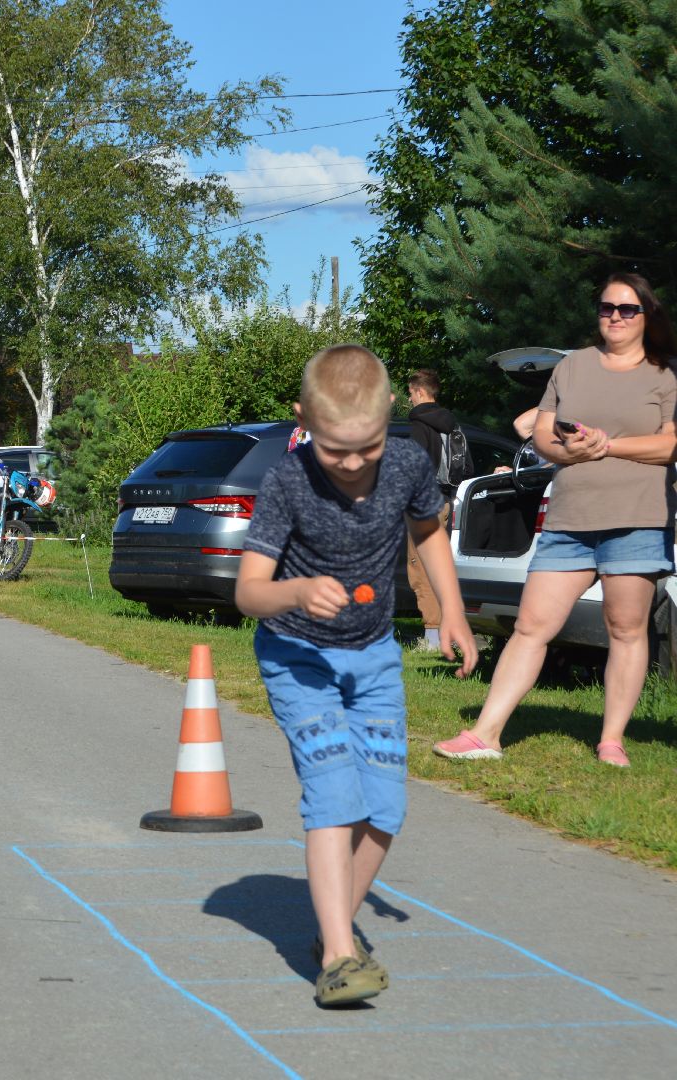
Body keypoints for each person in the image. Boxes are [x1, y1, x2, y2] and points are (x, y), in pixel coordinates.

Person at [236, 345, 477, 1007]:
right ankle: (340, 952)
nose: (350, 464)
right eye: (334, 448)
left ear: (390, 417)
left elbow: (428, 534)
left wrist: (452, 612)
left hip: (372, 657)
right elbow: (249, 593)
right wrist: (297, 591)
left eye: (365, 447)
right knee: (333, 794)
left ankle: (332, 921)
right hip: (298, 658)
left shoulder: (406, 463)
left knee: (386, 808)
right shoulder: (287, 482)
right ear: (303, 419)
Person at [436, 273, 677, 768]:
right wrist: (569, 446)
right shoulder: (572, 368)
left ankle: (611, 740)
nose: (614, 316)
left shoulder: (664, 373)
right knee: (531, 625)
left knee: (626, 628)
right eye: (606, 307)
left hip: (636, 518)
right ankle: (486, 733)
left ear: (647, 316)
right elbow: (542, 435)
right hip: (569, 518)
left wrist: (607, 445)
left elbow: (670, 444)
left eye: (627, 309)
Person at [404, 369, 459, 651]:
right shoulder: (452, 424)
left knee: (420, 568)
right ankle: (447, 629)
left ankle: (434, 636)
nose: (410, 398)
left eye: (411, 393)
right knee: (440, 567)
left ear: (421, 392)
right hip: (446, 502)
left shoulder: (419, 425)